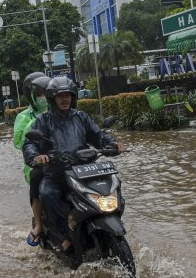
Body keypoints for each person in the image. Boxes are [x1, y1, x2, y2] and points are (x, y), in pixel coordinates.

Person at [23, 77, 123, 253]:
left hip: (84, 172)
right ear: (52, 98)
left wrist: (112, 144)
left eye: (68, 95)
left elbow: (98, 135)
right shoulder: (44, 121)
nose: (64, 99)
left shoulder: (82, 117)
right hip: (57, 174)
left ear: (73, 97)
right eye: (60, 95)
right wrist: (37, 156)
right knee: (48, 192)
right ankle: (64, 235)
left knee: (111, 187)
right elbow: (29, 144)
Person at [12, 72, 51, 246]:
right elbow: (19, 142)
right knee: (37, 177)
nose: (43, 97)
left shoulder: (60, 111)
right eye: (39, 93)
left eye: (46, 92)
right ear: (32, 96)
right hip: (37, 163)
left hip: (65, 159)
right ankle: (39, 224)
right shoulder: (24, 117)